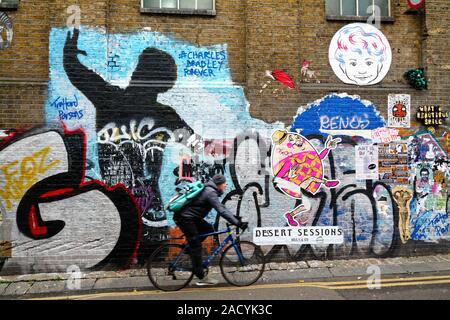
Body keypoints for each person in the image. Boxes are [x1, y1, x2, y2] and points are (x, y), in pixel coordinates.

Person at [173, 174, 248, 286]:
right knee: (197, 246)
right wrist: (237, 223)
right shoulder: (210, 192)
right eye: (224, 183)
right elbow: (221, 210)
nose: (226, 185)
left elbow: (222, 209)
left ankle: (189, 247)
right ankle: (201, 276)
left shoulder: (210, 190)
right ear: (219, 184)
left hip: (190, 218)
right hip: (186, 219)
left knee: (208, 228)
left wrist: (235, 219)